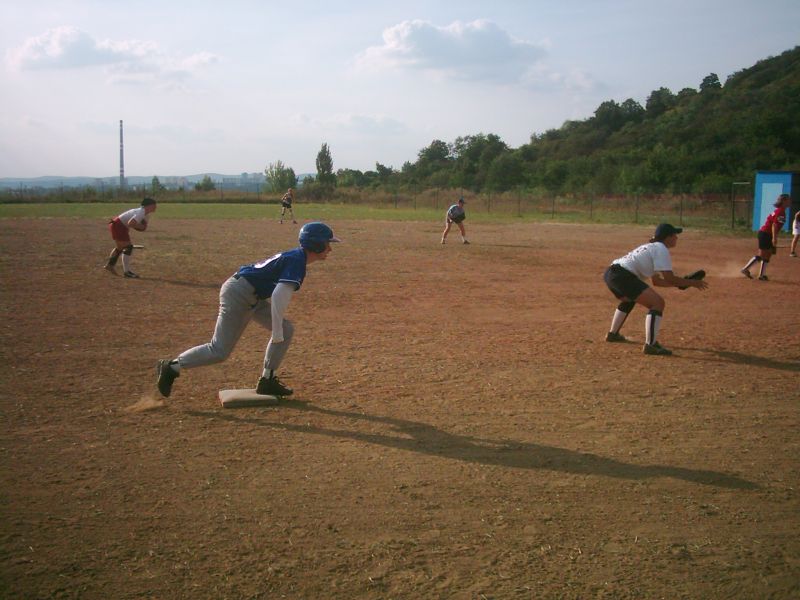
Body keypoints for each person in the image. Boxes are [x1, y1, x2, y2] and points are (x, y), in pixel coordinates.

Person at [156, 222, 341, 398]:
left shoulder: (297, 258)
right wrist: (276, 330)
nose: (330, 249)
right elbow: (278, 296)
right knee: (219, 350)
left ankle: (267, 380)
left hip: (251, 294)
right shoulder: (297, 262)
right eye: (326, 244)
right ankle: (172, 366)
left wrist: (278, 330)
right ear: (315, 245)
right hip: (239, 294)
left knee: (286, 329)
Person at [603, 223, 708, 356]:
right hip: (623, 276)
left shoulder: (651, 247)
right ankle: (651, 345)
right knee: (658, 303)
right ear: (667, 237)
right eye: (674, 235)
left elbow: (657, 281)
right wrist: (691, 282)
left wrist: (680, 284)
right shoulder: (661, 249)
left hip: (611, 274)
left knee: (629, 299)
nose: (676, 237)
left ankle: (613, 334)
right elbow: (670, 277)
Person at [741, 193, 791, 280]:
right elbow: (774, 225)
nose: (790, 201)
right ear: (784, 201)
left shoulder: (780, 211)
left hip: (767, 234)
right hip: (766, 234)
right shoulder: (780, 212)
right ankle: (745, 269)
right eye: (788, 200)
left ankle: (761, 275)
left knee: (768, 254)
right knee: (762, 255)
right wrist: (774, 238)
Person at [104, 197, 156, 278]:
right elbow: (131, 223)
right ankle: (127, 272)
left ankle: (110, 265)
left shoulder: (143, 213)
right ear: (148, 206)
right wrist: (141, 226)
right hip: (118, 226)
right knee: (128, 247)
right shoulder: (141, 212)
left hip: (118, 225)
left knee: (120, 248)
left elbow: (133, 223)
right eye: (154, 205)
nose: (156, 207)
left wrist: (142, 226)